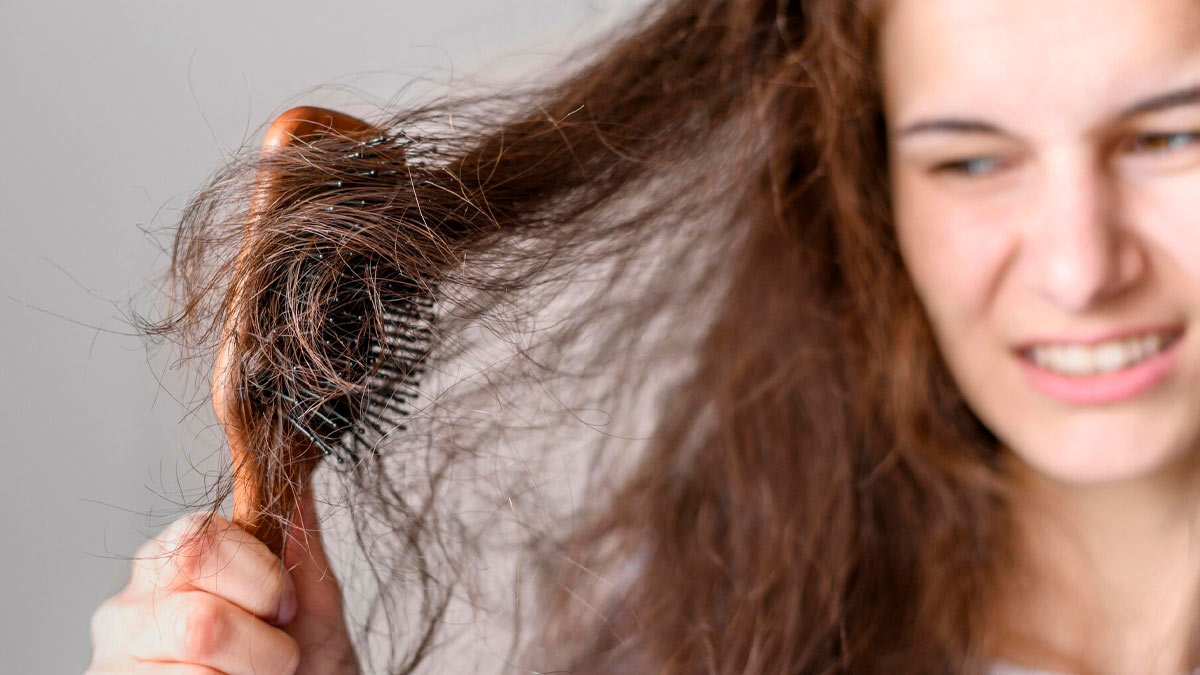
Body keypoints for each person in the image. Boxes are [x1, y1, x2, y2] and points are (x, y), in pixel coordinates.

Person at [87, 0, 1200, 672]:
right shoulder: (718, 634)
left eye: (1167, 139)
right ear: (875, 198)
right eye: (971, 160)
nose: (1080, 267)